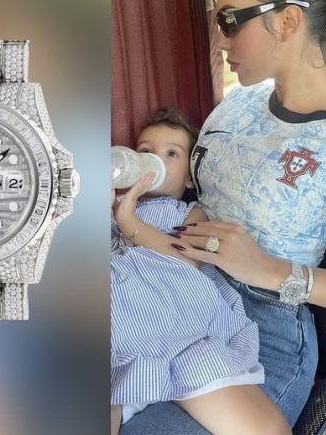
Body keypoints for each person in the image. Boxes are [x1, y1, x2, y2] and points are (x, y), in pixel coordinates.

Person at [120, 0, 326, 435]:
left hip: (264, 325)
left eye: (230, 20)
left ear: (288, 20)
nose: (219, 39)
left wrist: (271, 270)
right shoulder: (236, 107)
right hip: (177, 291)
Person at [111, 108, 291, 435]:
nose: (155, 160)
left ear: (189, 178)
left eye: (171, 153)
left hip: (173, 320)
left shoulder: (191, 213)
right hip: (115, 327)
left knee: (266, 428)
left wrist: (128, 220)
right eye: (145, 151)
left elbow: (186, 259)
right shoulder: (113, 208)